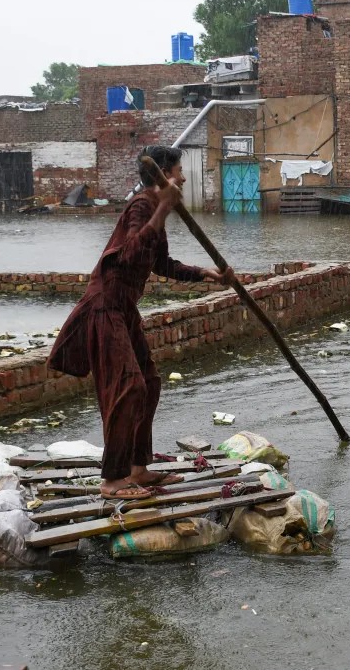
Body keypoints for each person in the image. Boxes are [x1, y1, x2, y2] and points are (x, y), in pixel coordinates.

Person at [48, 146, 234, 500]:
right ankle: (113, 481)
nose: (182, 178)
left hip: (125, 308)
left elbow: (160, 264)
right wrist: (163, 206)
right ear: (164, 174)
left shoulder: (154, 211)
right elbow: (130, 252)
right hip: (105, 307)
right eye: (179, 171)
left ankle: (138, 468)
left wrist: (205, 274)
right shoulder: (142, 206)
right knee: (128, 386)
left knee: (148, 382)